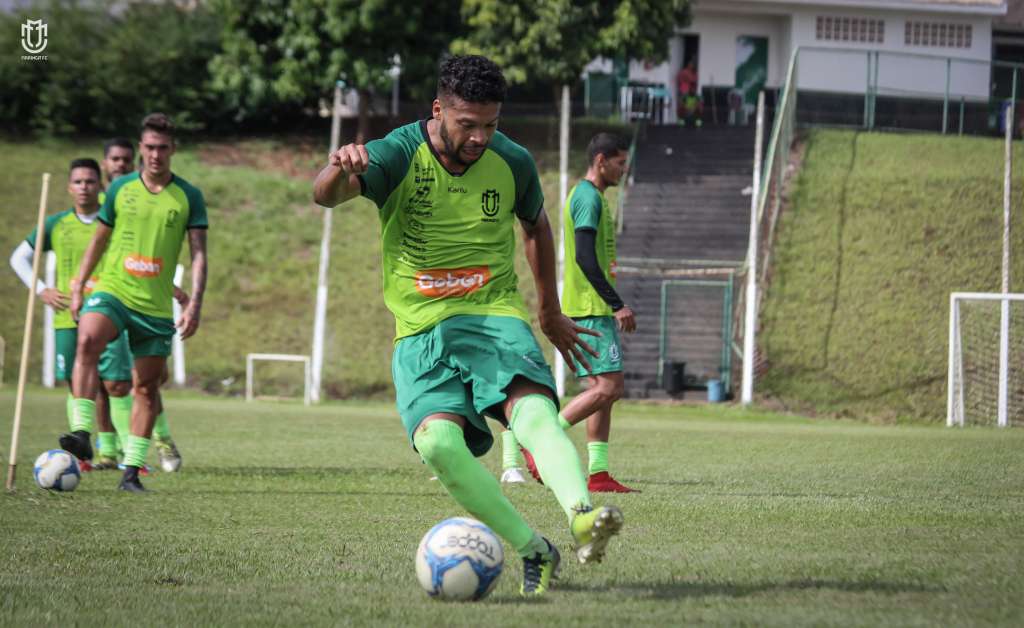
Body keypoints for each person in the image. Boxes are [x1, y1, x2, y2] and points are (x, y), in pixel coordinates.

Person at [313, 55, 624, 596]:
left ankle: (581, 515)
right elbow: (326, 194)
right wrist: (341, 166)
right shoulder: (398, 152)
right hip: (420, 327)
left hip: (492, 312)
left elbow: (536, 225)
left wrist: (549, 310)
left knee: (533, 411)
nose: (480, 137)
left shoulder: (512, 161)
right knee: (437, 444)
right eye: (468, 125)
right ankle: (534, 549)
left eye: (490, 124)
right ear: (438, 110)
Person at [64, 113, 208, 492]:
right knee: (88, 338)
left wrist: (194, 304)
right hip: (114, 290)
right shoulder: (120, 189)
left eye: (163, 148)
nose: (155, 155)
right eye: (149, 147)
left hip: (155, 306)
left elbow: (198, 255)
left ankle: (130, 473)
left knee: (146, 387)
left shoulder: (189, 196)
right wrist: (78, 287)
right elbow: (99, 239)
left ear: (173, 149)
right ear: (140, 148)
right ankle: (81, 431)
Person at [515, 133, 639, 493]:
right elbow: (584, 257)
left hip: (590, 306)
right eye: (620, 163)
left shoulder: (592, 196)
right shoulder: (587, 197)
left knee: (602, 390)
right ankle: (539, 440)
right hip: (590, 308)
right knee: (610, 387)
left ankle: (598, 474)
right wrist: (616, 303)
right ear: (601, 161)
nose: (624, 170)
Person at [9, 158, 134, 470]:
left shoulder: (113, 222)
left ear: (99, 185)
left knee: (115, 384)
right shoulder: (57, 224)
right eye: (78, 182)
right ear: (69, 187)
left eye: (90, 181)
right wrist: (41, 290)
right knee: (75, 384)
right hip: (68, 315)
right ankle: (84, 453)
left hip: (108, 312)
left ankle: (126, 452)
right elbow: (18, 258)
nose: (84, 187)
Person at [101, 137, 184, 473]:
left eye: (125, 159)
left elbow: (149, 255)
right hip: (109, 299)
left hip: (147, 301)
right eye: (115, 159)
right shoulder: (102, 202)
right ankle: (120, 451)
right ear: (105, 163)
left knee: (152, 377)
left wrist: (173, 289)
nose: (120, 165)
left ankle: (158, 438)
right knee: (113, 381)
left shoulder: (143, 199)